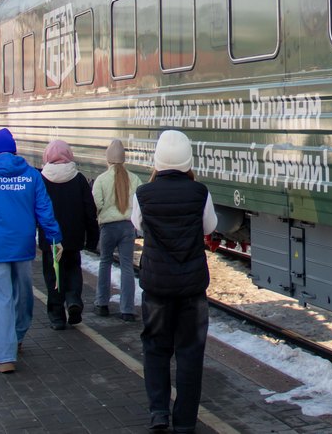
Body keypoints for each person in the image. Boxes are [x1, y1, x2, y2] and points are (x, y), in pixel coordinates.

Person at [132, 129, 218, 434]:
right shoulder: (201, 192)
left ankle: (158, 411)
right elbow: (210, 226)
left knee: (155, 348)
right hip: (192, 288)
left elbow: (138, 226)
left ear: (157, 159)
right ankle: (184, 422)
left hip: (156, 286)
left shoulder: (143, 193)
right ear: (188, 160)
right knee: (190, 354)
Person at [0, 128, 62, 374]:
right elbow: (44, 210)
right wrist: (55, 238)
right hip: (22, 245)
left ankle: (4, 356)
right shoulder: (30, 175)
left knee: (1, 297)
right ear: (14, 148)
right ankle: (16, 336)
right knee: (23, 294)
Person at [37, 140, 99, 331]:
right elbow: (90, 210)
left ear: (47, 157)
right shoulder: (78, 179)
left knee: (53, 275)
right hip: (74, 237)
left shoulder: (42, 179)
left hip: (51, 240)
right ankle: (73, 300)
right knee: (73, 270)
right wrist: (92, 238)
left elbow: (37, 209)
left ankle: (57, 317)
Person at [92, 139, 142, 322]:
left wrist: (102, 213)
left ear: (108, 159)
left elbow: (97, 202)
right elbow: (139, 203)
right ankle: (127, 309)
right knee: (127, 266)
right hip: (128, 226)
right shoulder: (134, 178)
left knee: (105, 262)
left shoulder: (101, 179)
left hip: (108, 227)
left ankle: (102, 304)